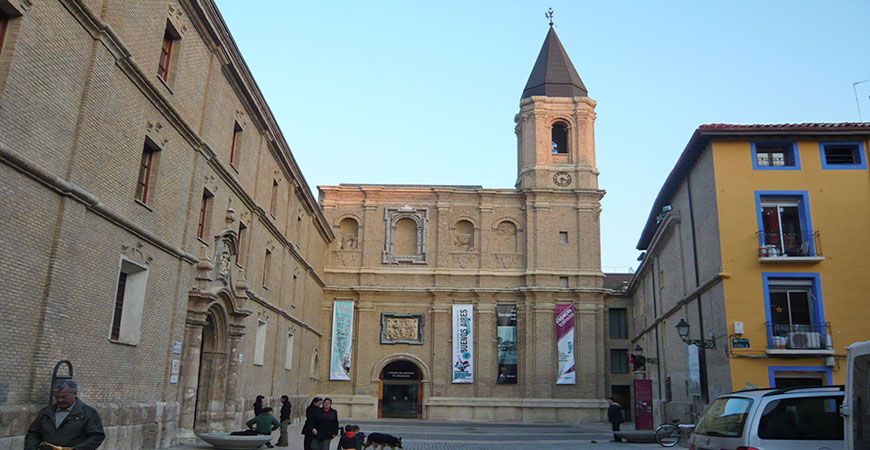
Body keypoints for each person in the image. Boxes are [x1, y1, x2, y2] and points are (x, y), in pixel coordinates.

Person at [24, 379, 105, 450]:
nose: (60, 400)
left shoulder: (88, 413)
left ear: (75, 393)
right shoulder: (46, 412)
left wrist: (77, 449)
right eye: (57, 397)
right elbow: (33, 433)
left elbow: (97, 436)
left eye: (64, 397)